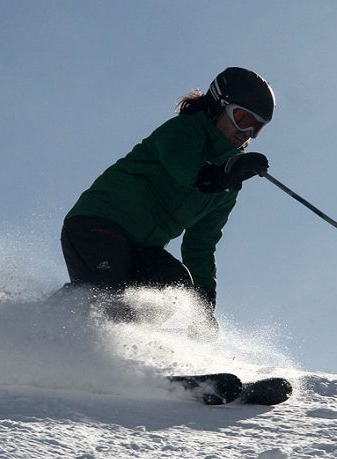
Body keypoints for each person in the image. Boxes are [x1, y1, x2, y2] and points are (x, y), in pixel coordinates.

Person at [59, 67, 275, 339]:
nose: (247, 133)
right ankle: (53, 332)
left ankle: (129, 358)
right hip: (97, 225)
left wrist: (204, 305)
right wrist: (223, 175)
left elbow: (201, 244)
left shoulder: (227, 187)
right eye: (243, 119)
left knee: (175, 288)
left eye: (258, 128)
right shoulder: (184, 130)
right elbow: (190, 172)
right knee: (111, 291)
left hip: (139, 247)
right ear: (219, 106)